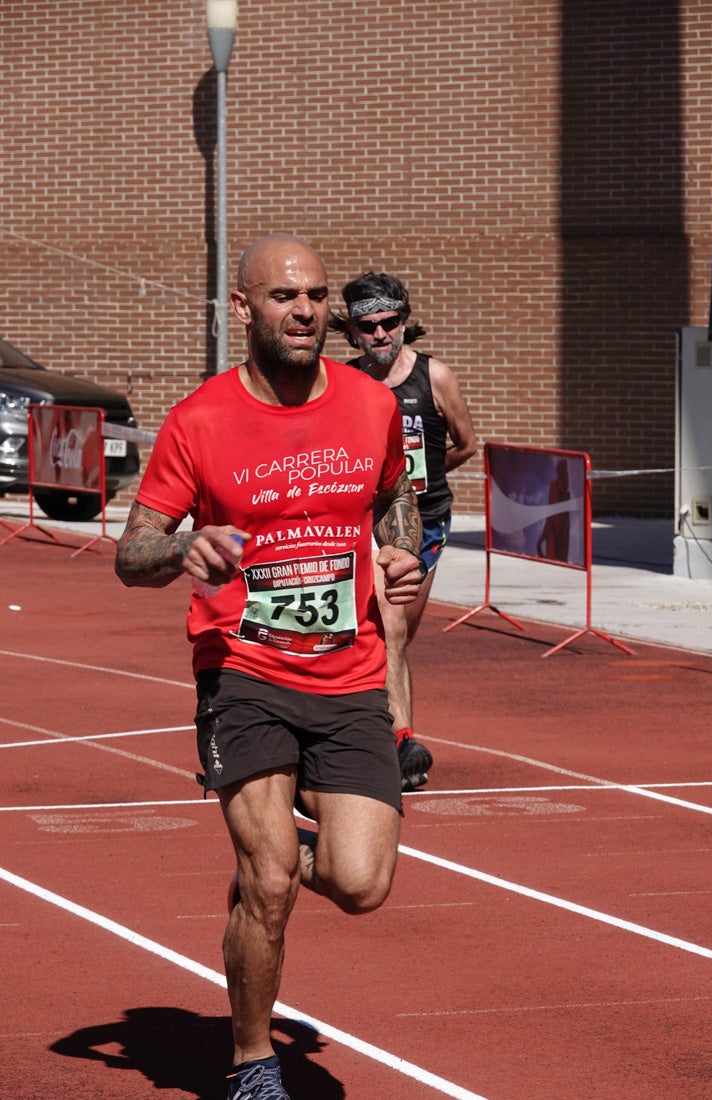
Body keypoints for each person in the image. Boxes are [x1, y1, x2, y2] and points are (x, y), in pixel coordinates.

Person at [114, 234, 425, 1100]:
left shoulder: (368, 405)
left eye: (317, 296)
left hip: (351, 670)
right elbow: (129, 552)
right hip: (242, 670)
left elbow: (395, 491)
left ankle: (273, 855)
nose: (307, 312)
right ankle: (253, 1062)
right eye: (286, 297)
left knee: (361, 886)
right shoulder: (200, 419)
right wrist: (184, 546)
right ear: (242, 310)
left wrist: (397, 555)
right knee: (271, 887)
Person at [331, 272, 477, 790]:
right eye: (367, 327)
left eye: (389, 323)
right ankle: (400, 744)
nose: (379, 335)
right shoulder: (345, 384)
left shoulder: (435, 376)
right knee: (386, 629)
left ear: (404, 321)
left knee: (400, 635)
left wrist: (421, 479)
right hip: (369, 522)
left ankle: (379, 723)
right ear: (352, 332)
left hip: (427, 521)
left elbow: (465, 443)